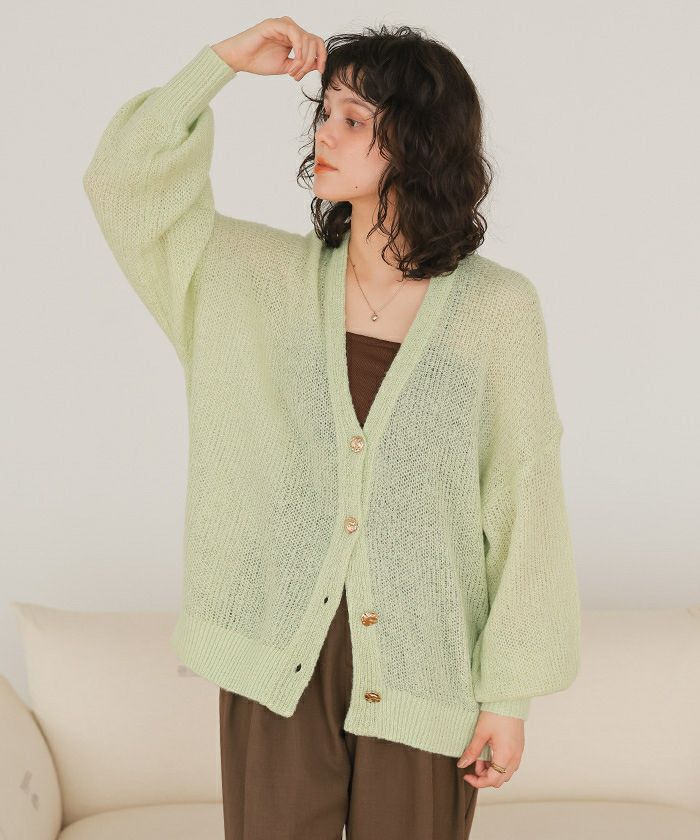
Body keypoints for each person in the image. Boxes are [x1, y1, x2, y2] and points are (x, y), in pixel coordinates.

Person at [83, 15, 581, 840]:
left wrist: (508, 697)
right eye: (324, 113)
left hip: (425, 668)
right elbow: (122, 184)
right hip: (274, 654)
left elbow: (524, 497)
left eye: (354, 119)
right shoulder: (248, 280)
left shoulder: (497, 310)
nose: (324, 132)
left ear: (420, 143)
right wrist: (220, 64)